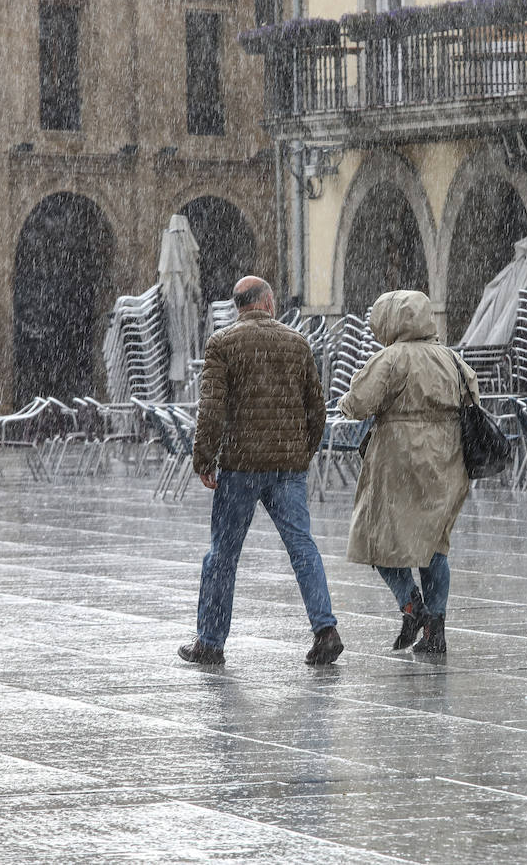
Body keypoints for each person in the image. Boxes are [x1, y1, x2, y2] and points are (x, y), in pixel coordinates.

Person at [178, 276, 343, 666]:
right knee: (302, 547)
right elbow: (316, 409)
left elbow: (212, 410)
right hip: (288, 467)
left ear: (239, 307)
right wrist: (303, 451)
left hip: (241, 467)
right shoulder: (297, 343)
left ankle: (211, 643)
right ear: (269, 303)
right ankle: (325, 630)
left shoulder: (223, 344)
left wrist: (203, 459)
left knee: (223, 555)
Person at [339, 290, 479, 654]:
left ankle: (411, 604)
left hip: (400, 459)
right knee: (435, 545)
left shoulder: (391, 358)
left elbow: (358, 403)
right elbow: (473, 399)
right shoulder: (452, 358)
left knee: (378, 539)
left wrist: (345, 402)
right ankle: (436, 629)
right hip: (447, 460)